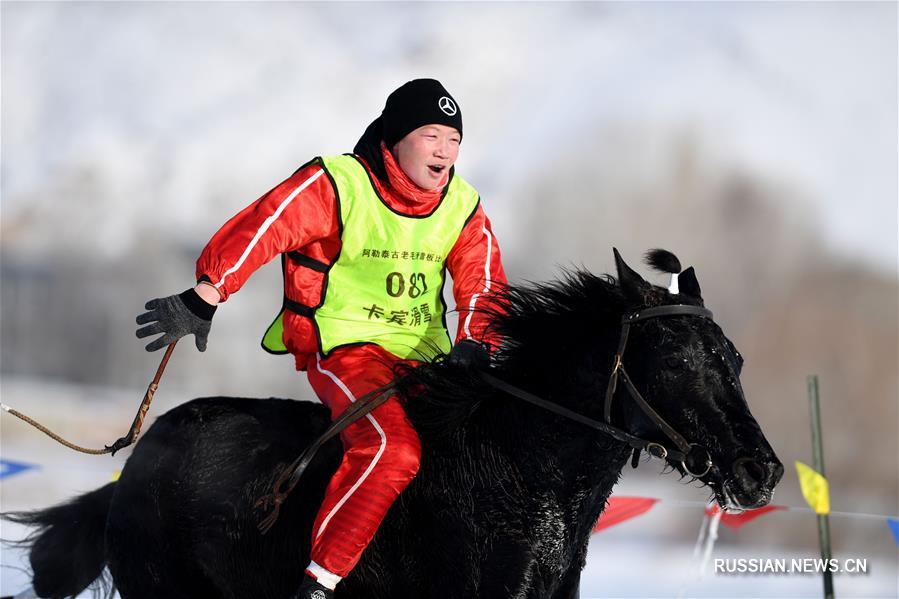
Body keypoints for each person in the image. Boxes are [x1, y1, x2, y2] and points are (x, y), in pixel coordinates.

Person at [136, 79, 507, 598]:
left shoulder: (463, 205)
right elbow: (268, 224)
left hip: (428, 360)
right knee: (392, 450)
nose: (445, 151)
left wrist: (475, 341)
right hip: (346, 349)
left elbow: (483, 282)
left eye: (453, 139)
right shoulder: (340, 183)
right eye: (430, 135)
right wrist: (209, 290)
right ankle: (319, 584)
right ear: (397, 138)